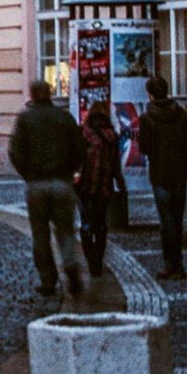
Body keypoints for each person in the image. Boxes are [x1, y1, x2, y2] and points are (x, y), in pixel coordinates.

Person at [8, 79, 87, 297]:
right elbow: (80, 148)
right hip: (62, 182)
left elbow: (15, 152)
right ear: (50, 94)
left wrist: (28, 175)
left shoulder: (25, 118)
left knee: (40, 234)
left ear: (32, 95)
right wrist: (71, 171)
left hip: (36, 184)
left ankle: (48, 280)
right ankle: (70, 265)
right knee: (66, 230)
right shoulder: (64, 117)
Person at [137, 75, 187, 280]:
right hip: (179, 171)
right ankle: (178, 264)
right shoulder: (180, 113)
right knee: (177, 219)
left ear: (150, 94)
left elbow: (145, 148)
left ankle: (171, 264)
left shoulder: (147, 117)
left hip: (160, 172)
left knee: (166, 220)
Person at [76, 100, 122, 279]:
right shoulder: (112, 136)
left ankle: (91, 261)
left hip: (85, 185)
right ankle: (98, 261)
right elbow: (115, 162)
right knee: (101, 223)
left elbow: (77, 159)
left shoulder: (83, 133)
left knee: (86, 223)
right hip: (104, 184)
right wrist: (120, 180)